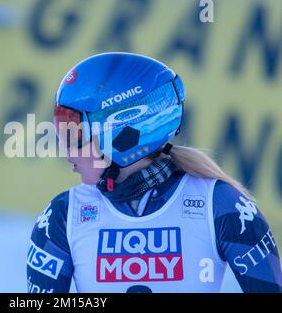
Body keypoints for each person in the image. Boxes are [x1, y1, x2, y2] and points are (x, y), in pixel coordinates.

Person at [26, 52, 282, 293]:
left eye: (75, 133)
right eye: (63, 131)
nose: (67, 150)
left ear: (120, 133)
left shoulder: (220, 205)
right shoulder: (62, 216)